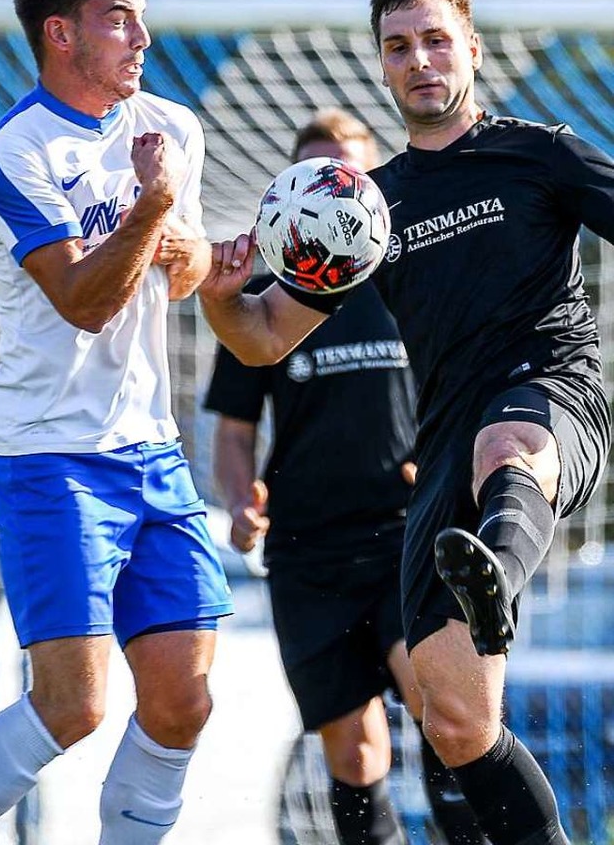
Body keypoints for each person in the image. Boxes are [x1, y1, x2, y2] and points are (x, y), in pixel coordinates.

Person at [197, 0, 614, 845]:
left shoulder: (540, 153)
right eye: (399, 46)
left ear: (469, 46)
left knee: (507, 446)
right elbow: (263, 337)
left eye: (435, 40)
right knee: (457, 722)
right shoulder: (370, 209)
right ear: (383, 64)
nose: (420, 59)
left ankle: (493, 570)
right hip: (443, 457)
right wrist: (219, 297)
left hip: (552, 396)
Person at [0, 0, 233, 842]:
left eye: (140, 15)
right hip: (49, 457)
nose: (141, 36)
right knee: (72, 707)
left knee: (183, 700)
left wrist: (180, 238)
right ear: (61, 33)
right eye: (117, 16)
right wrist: (151, 213)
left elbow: (187, 269)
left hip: (151, 450)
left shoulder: (172, 128)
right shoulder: (11, 150)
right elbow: (83, 301)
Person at [205, 107, 486, 845]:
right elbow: (233, 434)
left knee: (443, 708)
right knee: (357, 748)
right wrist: (240, 502)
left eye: (349, 172)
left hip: (409, 535)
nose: (335, 188)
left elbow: (469, 388)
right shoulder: (261, 300)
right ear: (293, 189)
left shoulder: (414, 280)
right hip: (306, 552)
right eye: (316, 174)